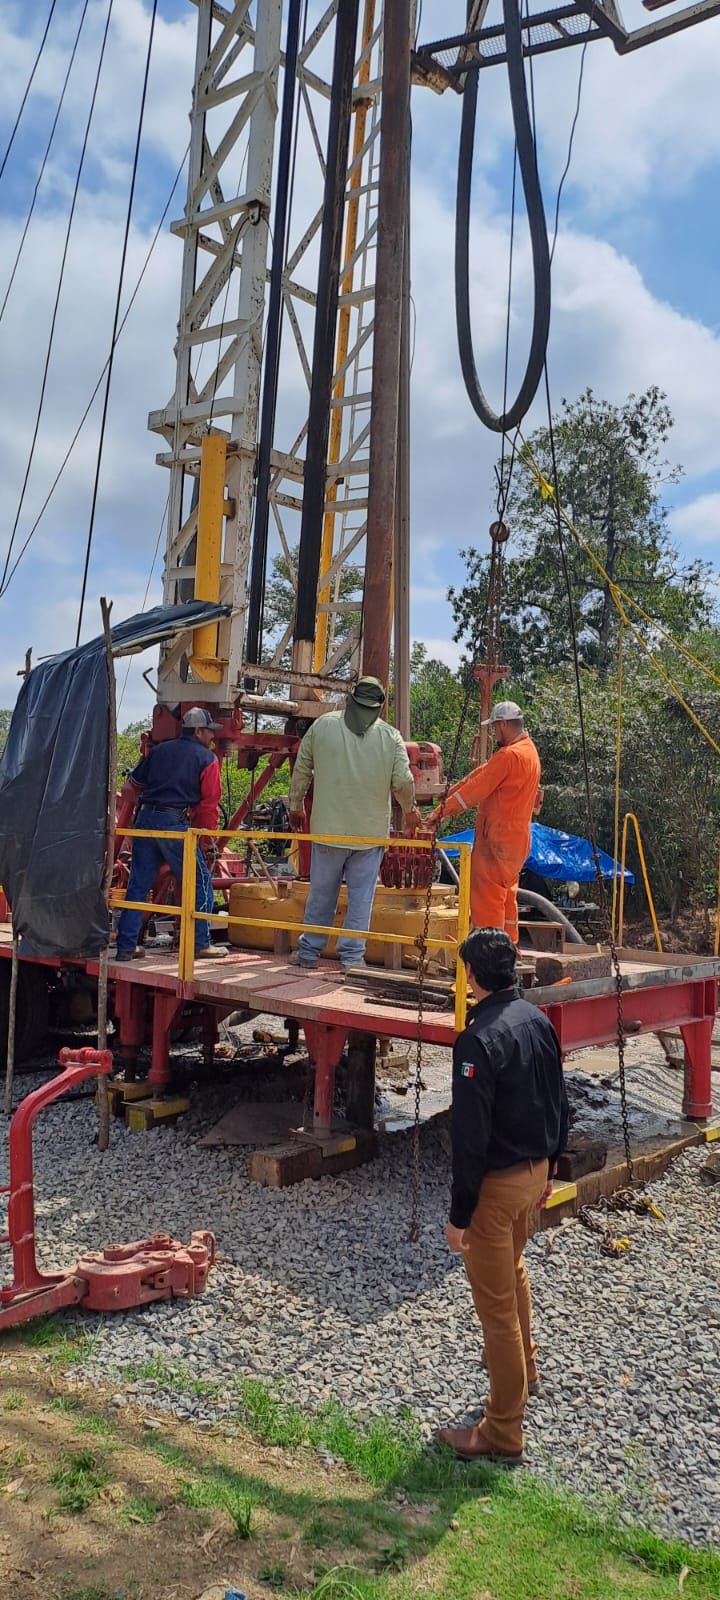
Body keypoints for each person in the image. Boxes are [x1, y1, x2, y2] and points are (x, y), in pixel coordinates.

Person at [438, 927, 568, 1463]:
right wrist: (552, 1164)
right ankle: (526, 1369)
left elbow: (470, 1138)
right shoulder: (538, 1020)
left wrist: (459, 1216)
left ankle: (503, 1431)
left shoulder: (477, 1040)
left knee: (496, 1314)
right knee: (513, 1273)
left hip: (497, 1186)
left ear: (472, 975)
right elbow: (559, 1097)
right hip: (534, 1174)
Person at [288, 676, 421, 972]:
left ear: (351, 698)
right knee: (361, 899)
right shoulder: (390, 737)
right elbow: (403, 781)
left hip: (328, 831)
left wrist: (296, 806)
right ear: (379, 706)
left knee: (321, 894)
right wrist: (410, 811)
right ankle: (352, 958)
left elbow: (302, 769)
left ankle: (309, 953)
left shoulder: (322, 726)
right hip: (369, 835)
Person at [115, 707, 227, 962]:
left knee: (138, 885)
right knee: (199, 881)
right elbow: (209, 806)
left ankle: (126, 947)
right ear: (198, 731)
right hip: (175, 825)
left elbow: (131, 788)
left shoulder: (158, 751)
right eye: (209, 731)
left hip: (145, 820)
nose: (213, 736)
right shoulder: (207, 759)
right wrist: (208, 840)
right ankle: (200, 944)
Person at [425, 700, 540, 944]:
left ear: (504, 725)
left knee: (486, 898)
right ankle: (509, 947)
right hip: (516, 842)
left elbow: (476, 788)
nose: (495, 733)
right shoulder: (528, 751)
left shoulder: (509, 755)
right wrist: (447, 794)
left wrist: (441, 811)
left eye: (495, 727)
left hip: (496, 841)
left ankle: (487, 951)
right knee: (506, 896)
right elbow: (481, 774)